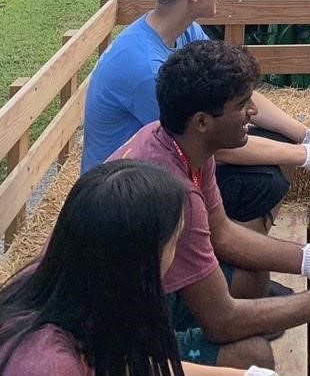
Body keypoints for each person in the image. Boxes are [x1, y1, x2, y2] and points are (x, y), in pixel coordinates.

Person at [111, 39, 310, 369]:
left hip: (144, 288)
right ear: (202, 121)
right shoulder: (174, 193)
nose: (253, 112)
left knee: (254, 280)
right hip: (111, 333)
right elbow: (221, 320)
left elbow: (223, 234)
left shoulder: (181, 142)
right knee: (253, 355)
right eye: (242, 104)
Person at [82, 0, 310, 231]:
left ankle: (229, 247)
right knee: (263, 184)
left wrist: (306, 136)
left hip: (159, 165)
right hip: (122, 193)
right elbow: (210, 146)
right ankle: (227, 261)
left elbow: (233, 90)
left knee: (275, 141)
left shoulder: (183, 30)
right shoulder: (146, 69)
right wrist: (306, 156)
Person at [0, 159, 272, 376]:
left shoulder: (65, 287)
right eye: (176, 241)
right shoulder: (49, 365)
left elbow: (127, 364)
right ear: (140, 260)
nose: (177, 255)